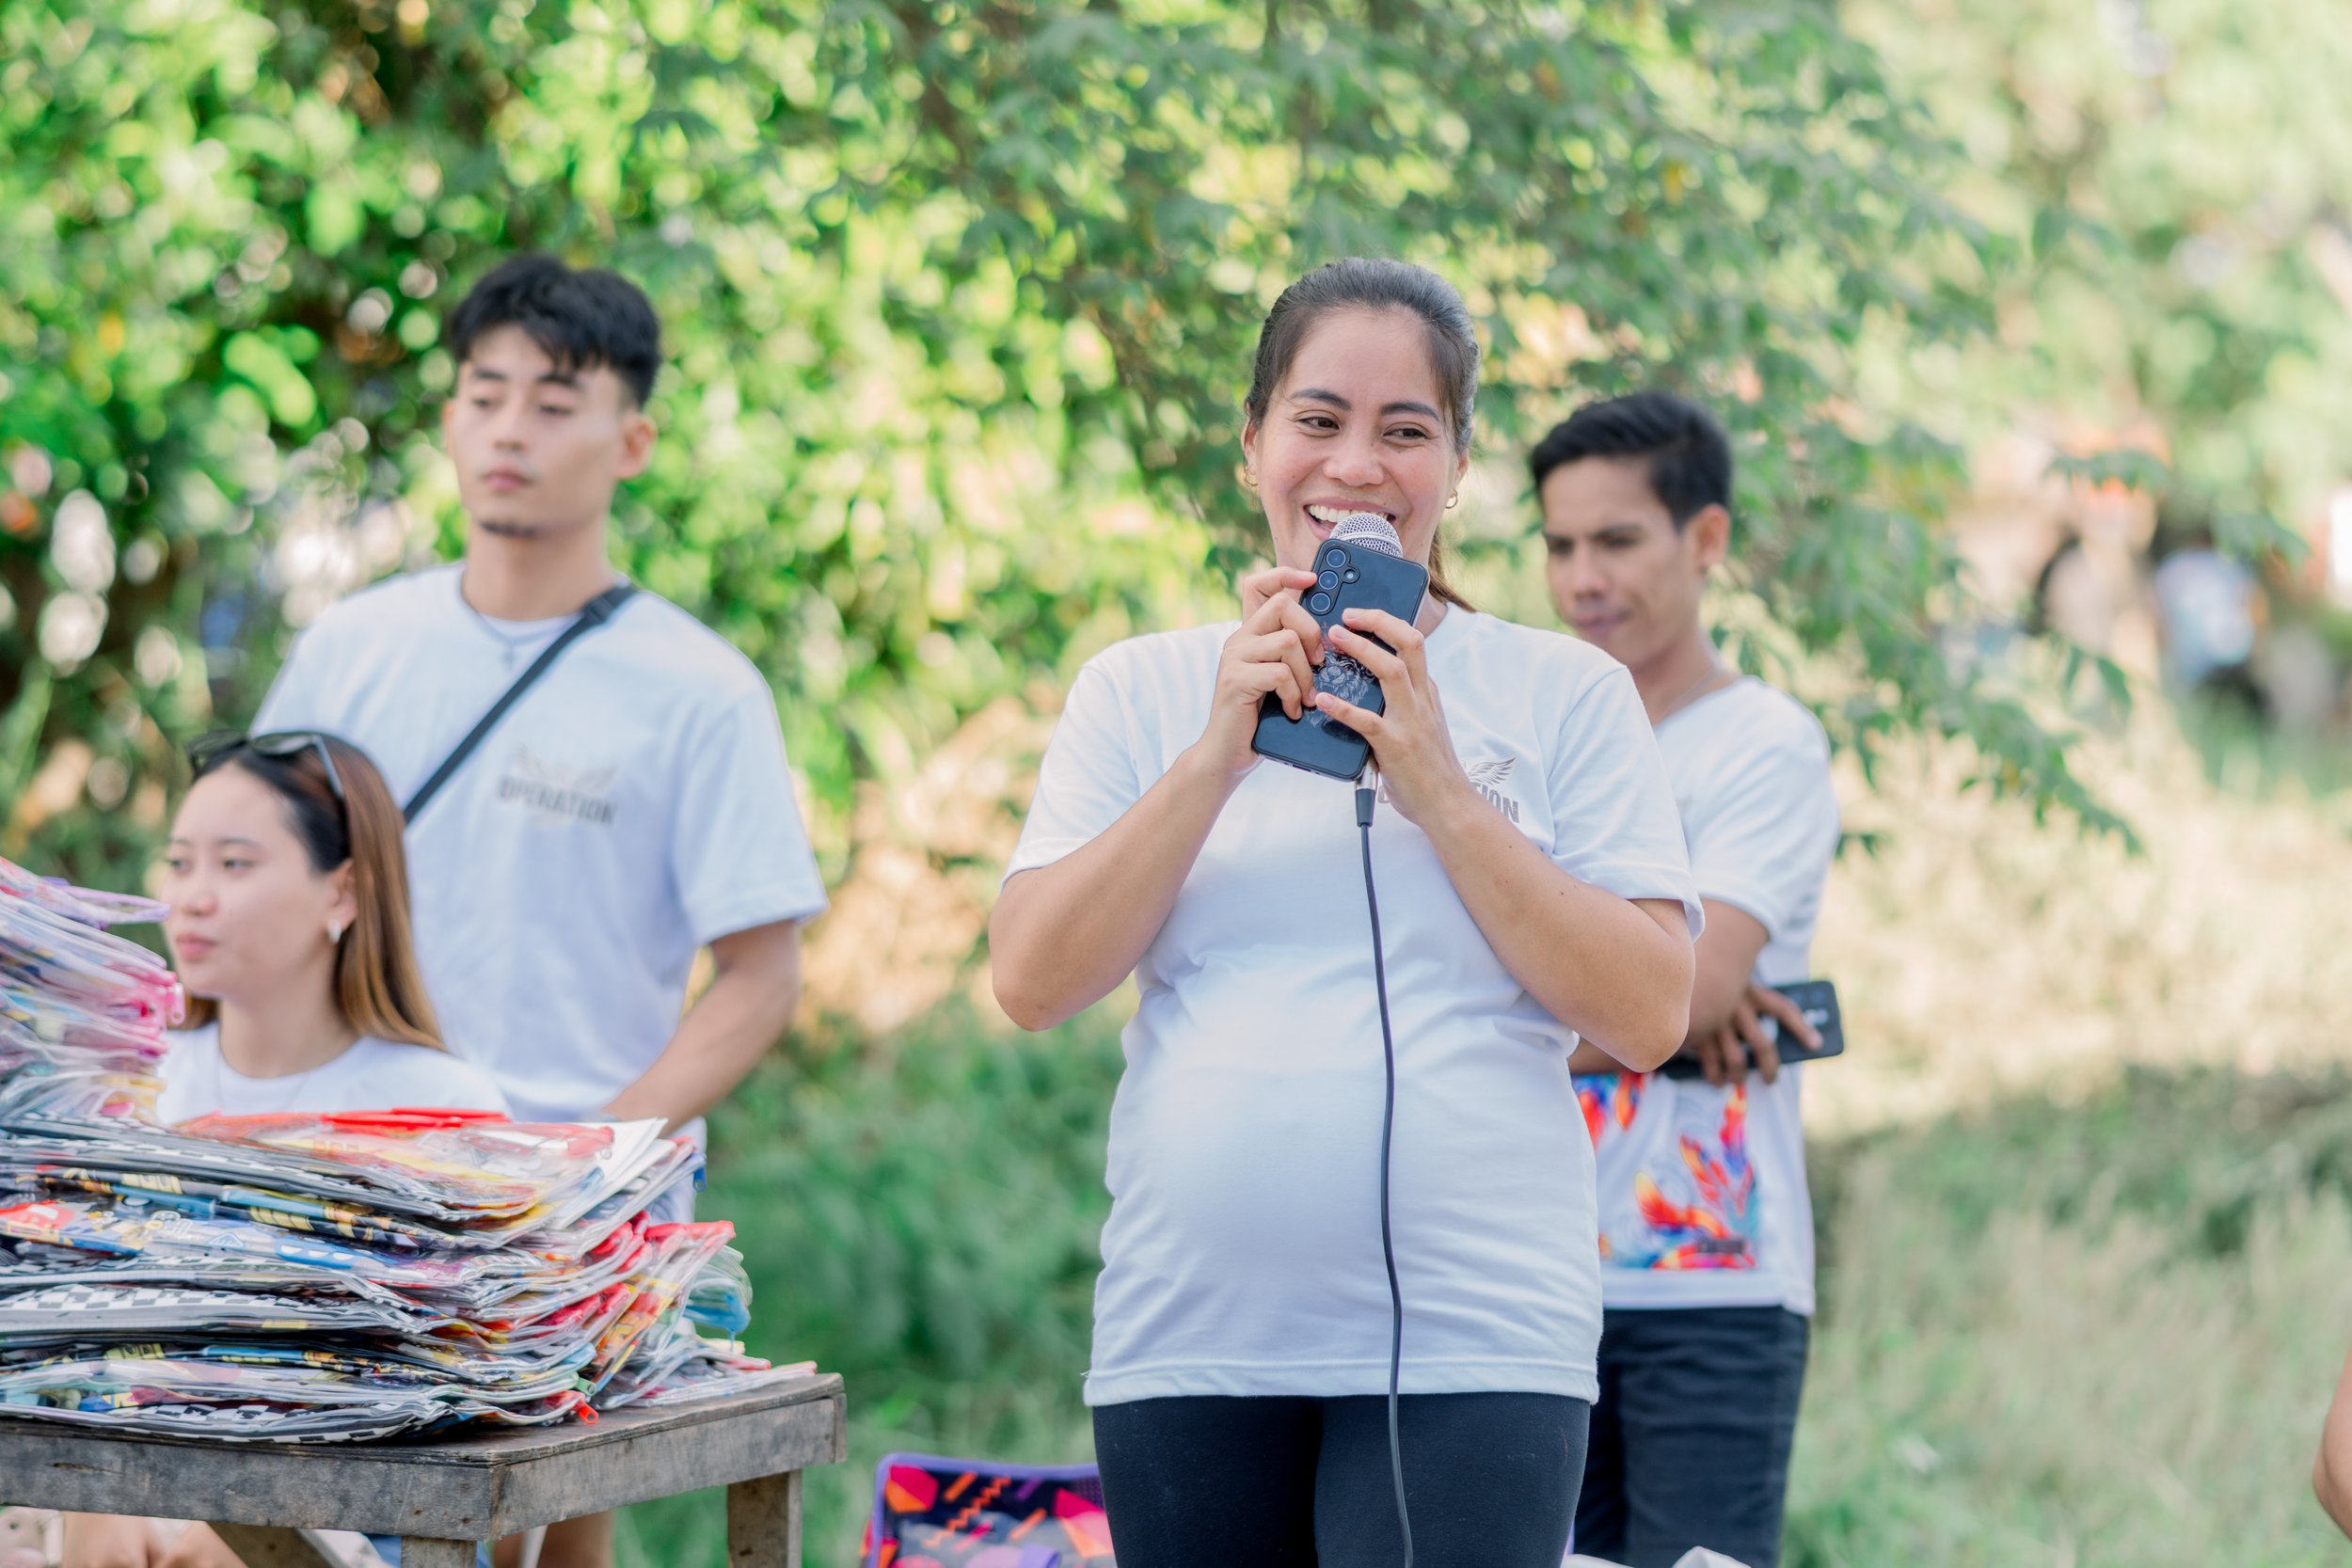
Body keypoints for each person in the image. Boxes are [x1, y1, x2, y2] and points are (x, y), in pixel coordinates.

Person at [989, 259, 1702, 1568]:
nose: (1357, 464)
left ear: (1459, 462)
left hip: (1478, 1341)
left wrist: (1440, 788)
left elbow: (1652, 1009)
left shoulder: (1566, 694)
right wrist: (1216, 748)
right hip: (1191, 1335)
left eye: (1405, 429)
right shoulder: (1140, 690)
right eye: (1318, 419)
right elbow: (1033, 980)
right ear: (1254, 442)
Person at [251, 256, 828, 1568]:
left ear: (633, 437)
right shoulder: (350, 649)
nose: (509, 427)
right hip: (356, 1169)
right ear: (451, 419)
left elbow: (760, 972)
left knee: (548, 1516)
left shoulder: (699, 687)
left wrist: (601, 1152)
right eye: (483, 392)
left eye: (554, 401)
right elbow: (259, 888)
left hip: (574, 1186)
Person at [62, 730, 505, 1568]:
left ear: (344, 888)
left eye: (233, 864)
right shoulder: (122, 1085)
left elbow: (485, 1402)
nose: (190, 897)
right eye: (179, 862)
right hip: (133, 1489)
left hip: (372, 1511)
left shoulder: (448, 1112)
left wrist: (219, 1523)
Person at [1534, 392, 1841, 1568]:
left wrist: (1529, 1010)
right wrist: (1630, 1004)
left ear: (1703, 540)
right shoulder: (1526, 742)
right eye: (1559, 545)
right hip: (1525, 1269)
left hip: (1708, 1278)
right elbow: (1647, 1005)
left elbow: (1695, 994)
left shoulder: (1762, 743)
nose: (1581, 578)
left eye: (1616, 541)